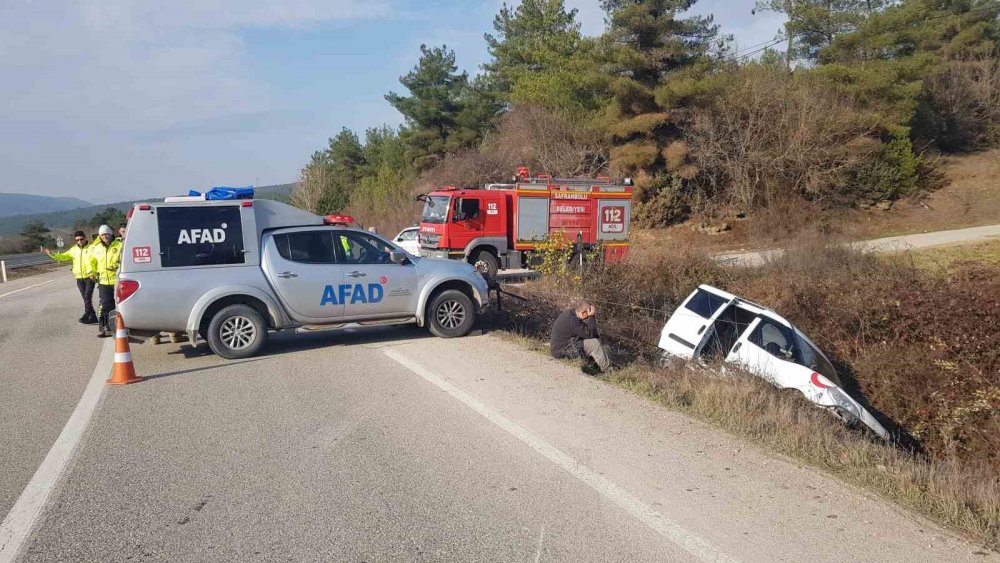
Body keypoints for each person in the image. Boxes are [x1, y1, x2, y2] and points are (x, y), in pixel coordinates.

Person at [43, 230, 97, 324]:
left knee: (87, 297)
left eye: (81, 239)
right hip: (79, 277)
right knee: (85, 298)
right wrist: (51, 254)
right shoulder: (73, 250)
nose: (79, 241)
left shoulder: (92, 248)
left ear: (85, 238)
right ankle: (93, 316)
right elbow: (63, 257)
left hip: (90, 277)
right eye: (77, 240)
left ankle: (87, 314)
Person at [550, 300, 612, 374]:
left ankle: (594, 366)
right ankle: (609, 371)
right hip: (562, 351)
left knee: (588, 341)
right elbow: (591, 335)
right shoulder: (573, 321)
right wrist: (592, 317)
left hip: (558, 348)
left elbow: (586, 333)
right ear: (583, 312)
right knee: (594, 343)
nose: (588, 316)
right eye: (588, 314)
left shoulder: (570, 314)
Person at [88, 224, 123, 338]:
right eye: (102, 235)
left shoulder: (119, 245)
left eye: (107, 234)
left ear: (111, 234)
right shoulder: (96, 248)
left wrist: (117, 266)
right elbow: (91, 262)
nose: (105, 236)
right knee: (106, 304)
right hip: (103, 282)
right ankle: (105, 327)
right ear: (100, 236)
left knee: (121, 304)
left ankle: (123, 327)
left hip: (118, 280)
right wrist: (92, 272)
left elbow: (124, 259)